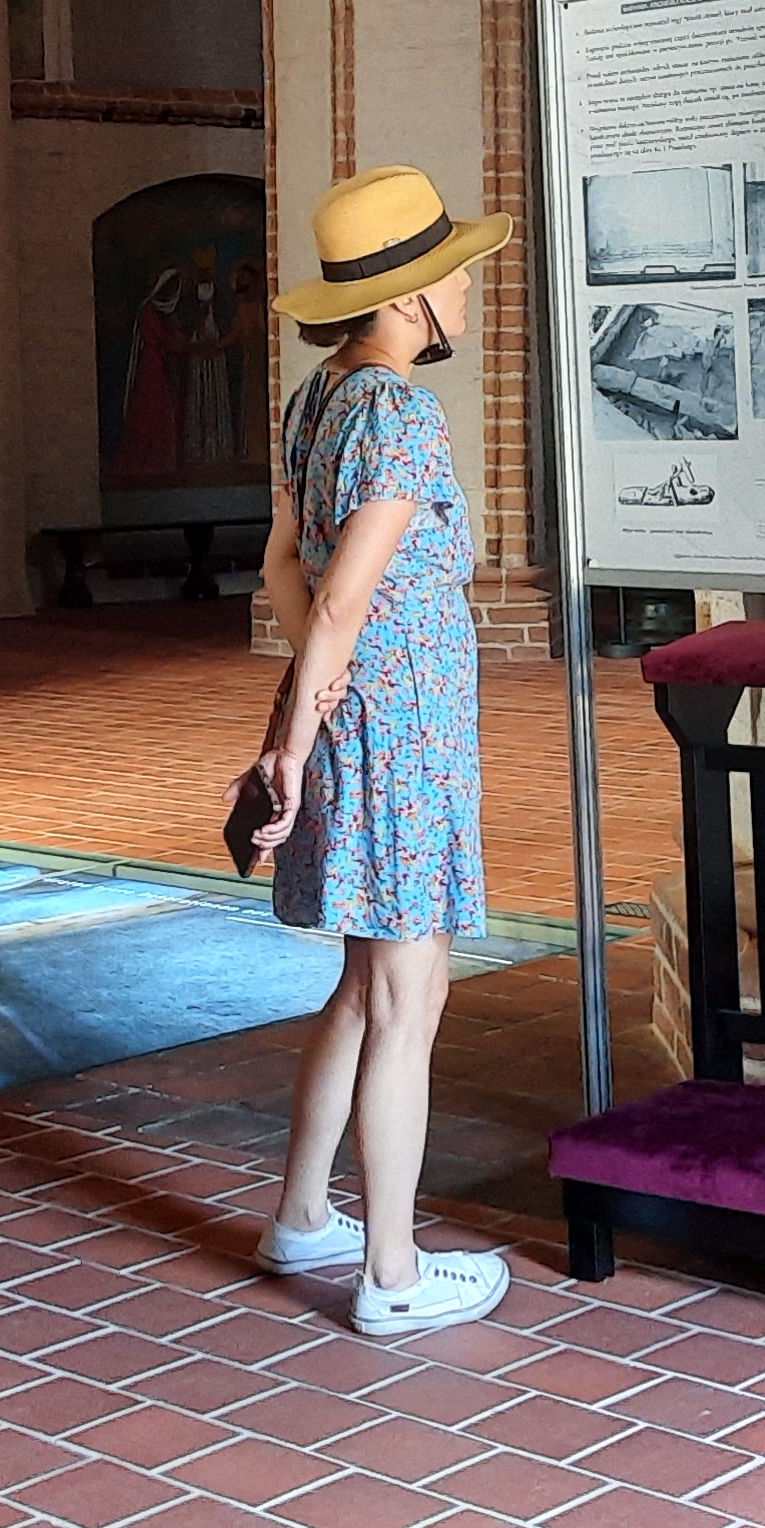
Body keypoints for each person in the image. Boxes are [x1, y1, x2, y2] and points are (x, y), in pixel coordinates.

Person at [243, 164, 516, 1338]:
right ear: (407, 298)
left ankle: (305, 1216)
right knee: (410, 990)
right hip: (400, 729)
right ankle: (394, 1274)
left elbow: (280, 576)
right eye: (452, 270)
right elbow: (345, 601)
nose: (466, 286)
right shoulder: (400, 411)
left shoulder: (321, 398)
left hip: (361, 710)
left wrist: (308, 712)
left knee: (360, 983)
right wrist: (305, 737)